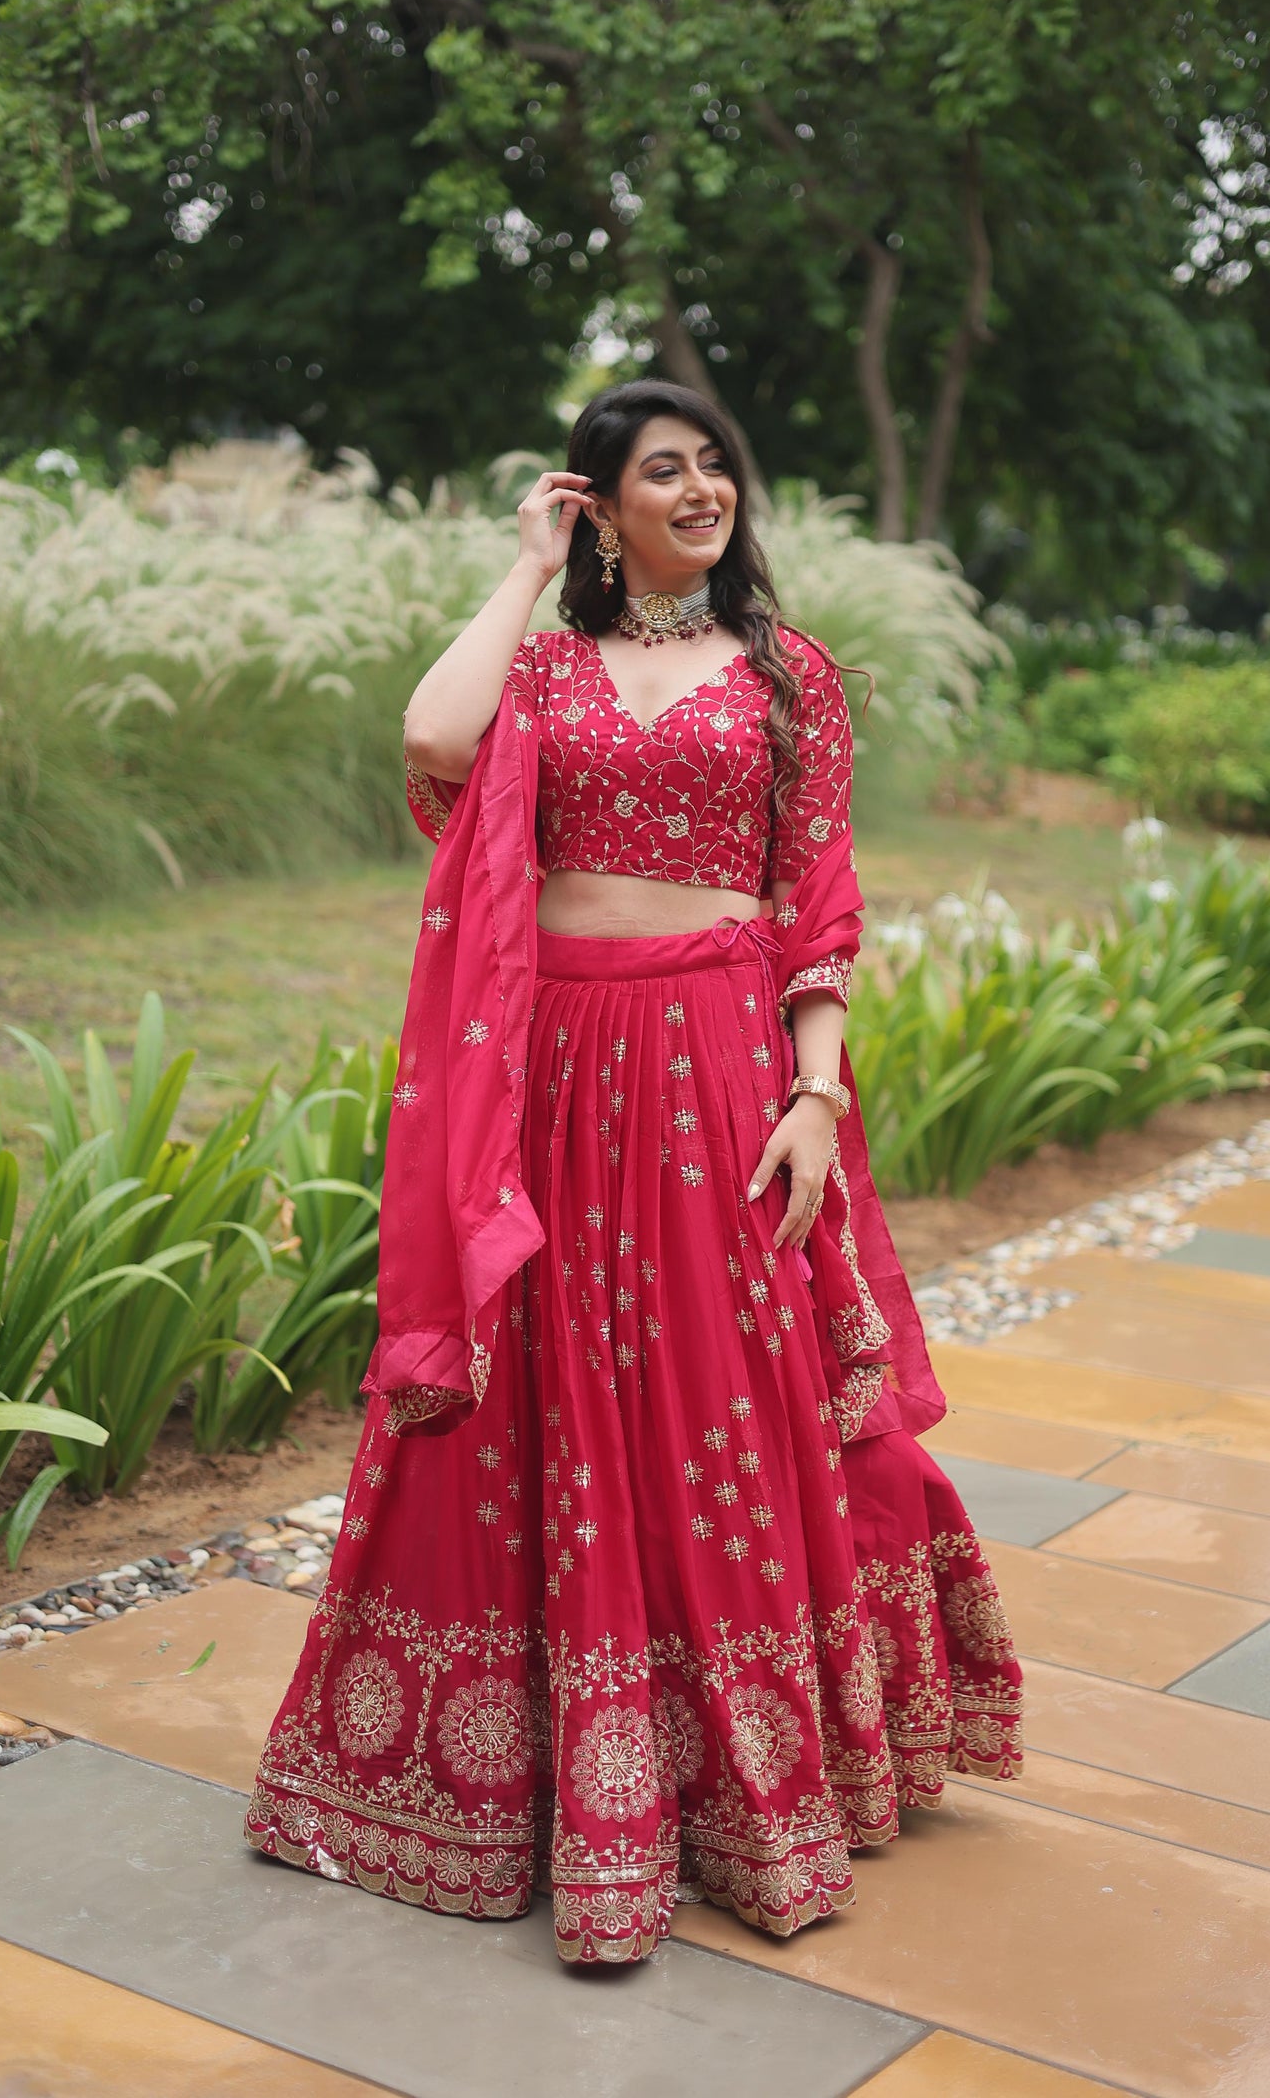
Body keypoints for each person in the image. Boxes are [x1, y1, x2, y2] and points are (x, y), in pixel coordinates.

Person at [244, 379, 1022, 1967]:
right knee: (542, 1387)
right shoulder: (536, 669)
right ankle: (543, 1777)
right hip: (553, 1080)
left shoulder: (787, 676)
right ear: (600, 503)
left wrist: (813, 1092)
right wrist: (529, 565)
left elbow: (817, 900)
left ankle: (737, 1785)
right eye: (660, 470)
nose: (701, 487)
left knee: (725, 1400)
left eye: (714, 462)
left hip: (718, 1077)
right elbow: (428, 739)